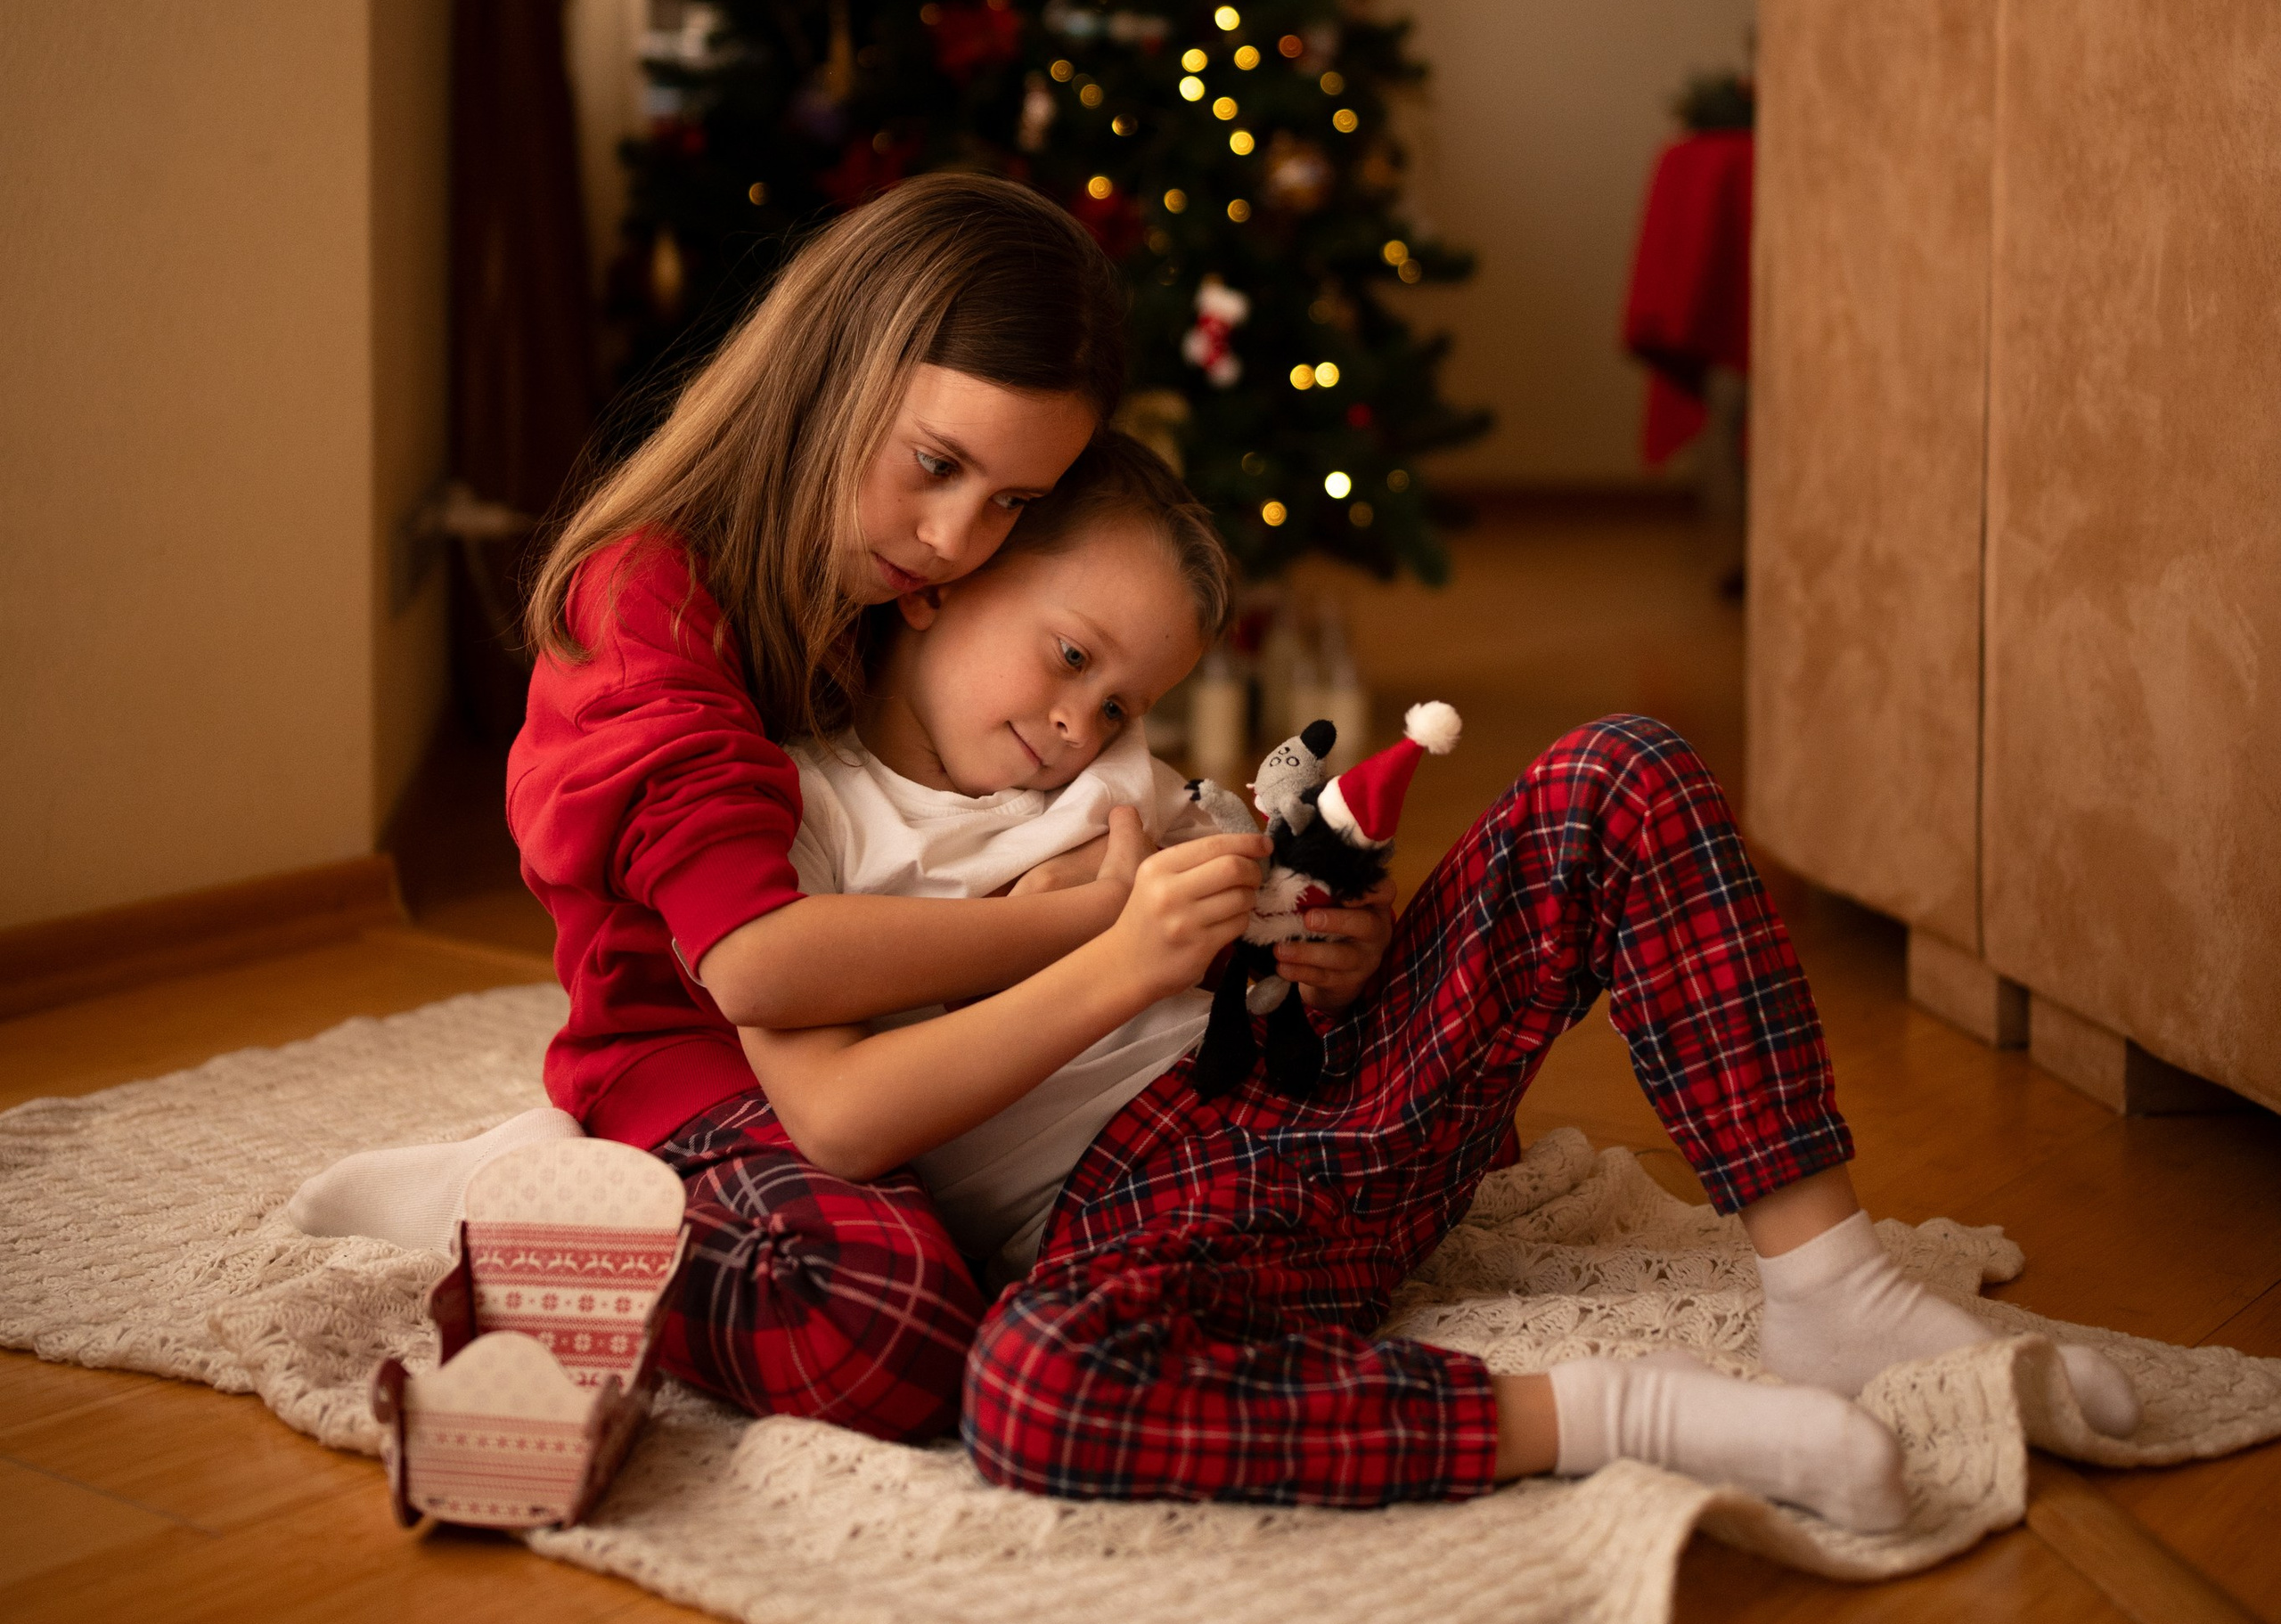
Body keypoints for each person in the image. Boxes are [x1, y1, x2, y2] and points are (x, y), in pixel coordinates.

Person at [720, 436, 2139, 1526]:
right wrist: (1105, 954)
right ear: (941, 587)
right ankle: (1611, 1413)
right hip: (1160, 1218)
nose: (1078, 724)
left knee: (1617, 773)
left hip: (1348, 1109)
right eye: (1071, 656)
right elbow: (847, 1111)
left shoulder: (1118, 783)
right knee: (1034, 1387)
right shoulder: (814, 814)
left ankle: (1831, 1283)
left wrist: (1344, 955)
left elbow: (1281, 931)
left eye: (1120, 701)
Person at [501, 174, 1145, 1445]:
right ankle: (537, 1213)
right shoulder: (645, 599)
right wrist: (1087, 929)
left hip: (898, 1040)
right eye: (937, 465)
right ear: (829, 376)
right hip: (694, 1063)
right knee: (888, 1337)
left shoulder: (909, 582)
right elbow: (754, 966)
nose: (956, 537)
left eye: (1012, 502)